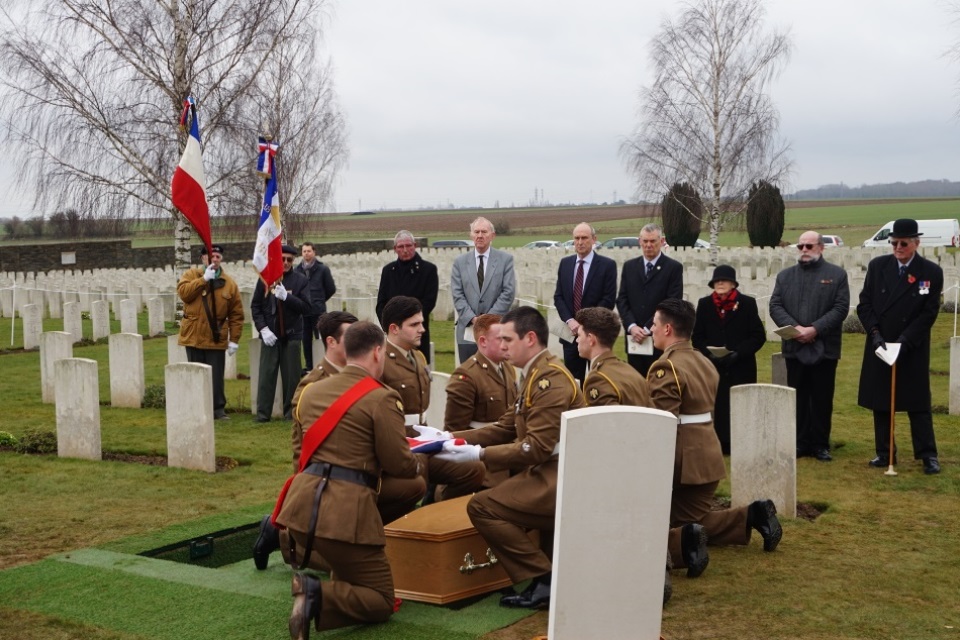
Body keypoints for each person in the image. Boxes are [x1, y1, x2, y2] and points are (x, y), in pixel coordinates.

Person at [273, 321, 422, 638]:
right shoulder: (382, 398)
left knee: (349, 568)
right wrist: (420, 461)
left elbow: (302, 448)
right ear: (378, 352)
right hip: (346, 514)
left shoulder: (311, 391)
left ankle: (319, 587)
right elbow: (398, 463)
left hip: (301, 508)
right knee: (382, 599)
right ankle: (316, 593)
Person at [438, 306, 584, 610]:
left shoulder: (549, 379)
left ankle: (544, 579)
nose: (501, 346)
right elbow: (506, 426)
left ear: (530, 338)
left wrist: (477, 454)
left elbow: (536, 447)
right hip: (550, 468)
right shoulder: (534, 373)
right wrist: (449, 439)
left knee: (482, 506)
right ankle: (546, 576)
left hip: (562, 472)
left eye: (507, 339)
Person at [648, 299, 782, 578]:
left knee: (655, 522)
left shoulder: (665, 367)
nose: (651, 330)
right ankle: (752, 515)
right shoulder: (704, 361)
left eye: (654, 324)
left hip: (685, 465)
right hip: (708, 457)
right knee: (695, 521)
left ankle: (681, 549)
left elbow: (662, 426)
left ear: (668, 329)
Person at [254, 310, 360, 572]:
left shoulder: (360, 375)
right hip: (322, 472)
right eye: (351, 337)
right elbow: (305, 445)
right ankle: (278, 534)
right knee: (340, 565)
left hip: (351, 465)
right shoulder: (312, 386)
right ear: (331, 342)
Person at [380, 295, 485, 507]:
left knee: (474, 470)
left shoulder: (418, 357)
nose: (422, 329)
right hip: (401, 443)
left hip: (425, 439)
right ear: (394, 328)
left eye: (422, 323)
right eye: (414, 324)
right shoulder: (381, 361)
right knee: (416, 482)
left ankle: (436, 510)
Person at [857, 218, 943, 475]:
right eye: (893, 242)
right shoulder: (878, 266)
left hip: (911, 345)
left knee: (917, 402)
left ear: (916, 243)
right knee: (882, 400)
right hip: (880, 342)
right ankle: (884, 452)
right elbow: (865, 304)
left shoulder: (930, 272)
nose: (897, 247)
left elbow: (928, 313)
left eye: (903, 243)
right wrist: (875, 334)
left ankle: (927, 454)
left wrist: (905, 342)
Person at [768, 235, 850, 461]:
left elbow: (840, 308)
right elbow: (775, 305)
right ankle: (800, 442)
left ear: (821, 248)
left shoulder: (836, 275)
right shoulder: (785, 276)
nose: (804, 249)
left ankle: (820, 444)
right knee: (798, 396)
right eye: (801, 246)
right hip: (795, 346)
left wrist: (814, 329)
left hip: (825, 347)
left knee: (822, 397)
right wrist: (796, 329)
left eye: (809, 246)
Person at [693, 265, 767, 455]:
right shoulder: (704, 304)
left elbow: (758, 336)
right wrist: (709, 355)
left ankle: (741, 441)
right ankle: (719, 441)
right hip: (713, 366)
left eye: (724, 280)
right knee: (717, 404)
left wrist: (737, 353)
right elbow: (697, 337)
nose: (719, 283)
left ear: (733, 284)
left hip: (740, 366)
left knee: (740, 405)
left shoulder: (747, 304)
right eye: (717, 281)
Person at [176, 244, 244, 420]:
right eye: (211, 256)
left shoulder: (229, 284)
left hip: (216, 335)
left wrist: (234, 339)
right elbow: (184, 293)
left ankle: (217, 410)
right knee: (195, 375)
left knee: (216, 377)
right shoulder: (191, 275)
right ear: (203, 258)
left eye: (218, 257)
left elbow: (236, 314)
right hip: (194, 335)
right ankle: (195, 408)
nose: (214, 259)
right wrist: (203, 280)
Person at [251, 244, 312, 422]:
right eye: (282, 259)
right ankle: (263, 414)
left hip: (292, 335)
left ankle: (290, 414)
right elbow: (256, 307)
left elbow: (307, 308)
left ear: (294, 261)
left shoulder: (301, 281)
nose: (285, 263)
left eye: (289, 260)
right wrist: (263, 329)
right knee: (266, 376)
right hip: (270, 335)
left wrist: (288, 297)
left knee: (292, 378)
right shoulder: (265, 279)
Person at [553, 222, 618, 383]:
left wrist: (585, 324)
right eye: (576, 238)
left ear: (594, 239)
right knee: (574, 382)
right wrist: (570, 320)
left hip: (594, 335)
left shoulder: (607, 266)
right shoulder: (566, 264)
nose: (580, 242)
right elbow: (559, 296)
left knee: (599, 381)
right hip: (570, 334)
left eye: (584, 238)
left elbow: (608, 299)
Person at [616, 223, 683, 376]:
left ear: (661, 241)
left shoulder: (673, 268)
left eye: (653, 241)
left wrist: (648, 328)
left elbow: (672, 302)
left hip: (659, 337)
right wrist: (632, 326)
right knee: (637, 385)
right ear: (639, 241)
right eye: (645, 241)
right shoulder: (630, 267)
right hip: (634, 337)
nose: (648, 245)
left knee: (659, 382)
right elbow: (622, 299)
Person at [451, 217, 516, 362]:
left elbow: (508, 292)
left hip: (497, 329)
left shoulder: (505, 260)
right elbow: (457, 294)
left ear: (492, 235)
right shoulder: (460, 263)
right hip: (468, 330)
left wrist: (487, 320)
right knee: (470, 376)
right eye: (476, 232)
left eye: (484, 232)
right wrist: (473, 319)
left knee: (496, 377)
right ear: (471, 235)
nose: (480, 235)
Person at [444, 313, 518, 431]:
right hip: (479, 446)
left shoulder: (507, 368)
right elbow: (455, 431)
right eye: (501, 339)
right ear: (483, 341)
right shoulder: (467, 376)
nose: (507, 344)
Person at [376, 230, 439, 363]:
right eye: (400, 246)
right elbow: (381, 303)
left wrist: (408, 324)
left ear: (415, 246)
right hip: (394, 333)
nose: (405, 250)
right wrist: (389, 326)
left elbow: (429, 302)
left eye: (408, 245)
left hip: (418, 333)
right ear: (395, 249)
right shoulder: (388, 271)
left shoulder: (428, 270)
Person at [575, 306, 650, 408]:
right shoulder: (631, 371)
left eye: (579, 335)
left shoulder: (598, 378)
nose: (577, 340)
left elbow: (605, 422)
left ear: (591, 339)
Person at [295, 242, 337, 374]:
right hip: (303, 312)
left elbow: (330, 288)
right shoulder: (297, 270)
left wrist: (319, 300)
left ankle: (323, 364)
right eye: (304, 251)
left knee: (320, 338)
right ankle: (309, 366)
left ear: (314, 252)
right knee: (305, 340)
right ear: (301, 253)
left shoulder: (322, 269)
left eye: (309, 251)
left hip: (318, 311)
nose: (306, 253)